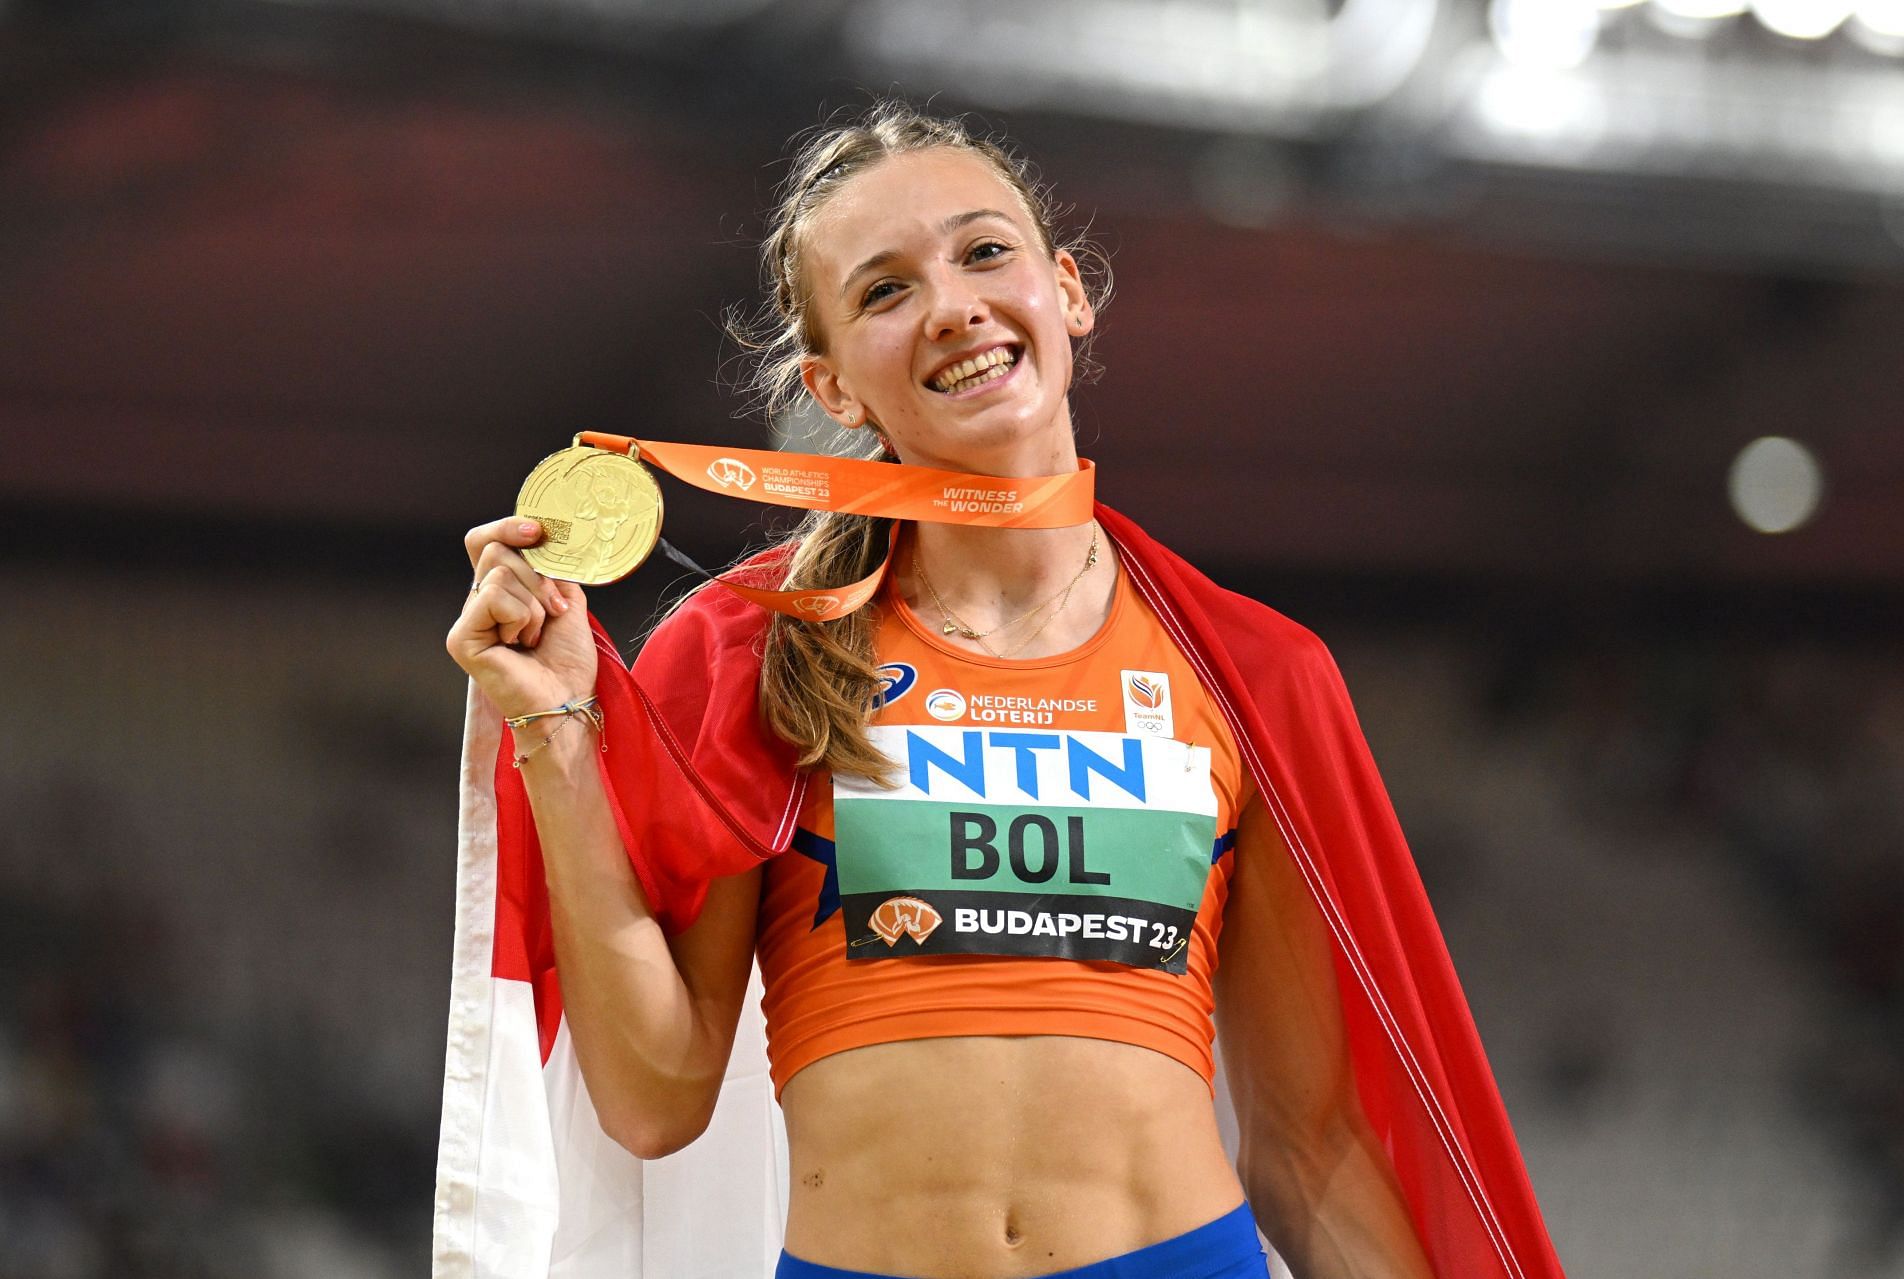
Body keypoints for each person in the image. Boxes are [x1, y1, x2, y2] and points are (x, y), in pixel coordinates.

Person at [444, 103, 1562, 1279]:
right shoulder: (756, 652)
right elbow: (659, 1098)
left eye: (984, 252)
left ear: (1068, 292)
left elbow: (1314, 1144)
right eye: (884, 290)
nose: (952, 305)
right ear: (833, 388)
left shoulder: (1253, 674)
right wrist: (553, 731)